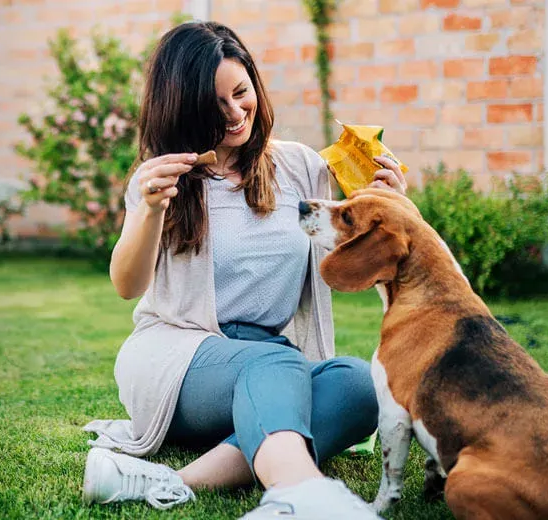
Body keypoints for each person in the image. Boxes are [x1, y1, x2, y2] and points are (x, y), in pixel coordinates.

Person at [77, 20, 408, 520]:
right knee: (274, 363)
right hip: (179, 359)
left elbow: (356, 262)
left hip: (269, 363)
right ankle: (302, 493)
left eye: (241, 93)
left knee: (359, 385)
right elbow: (127, 285)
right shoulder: (161, 179)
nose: (235, 114)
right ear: (184, 109)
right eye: (216, 105)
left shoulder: (300, 169)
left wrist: (392, 206)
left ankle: (171, 482)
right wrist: (149, 210)